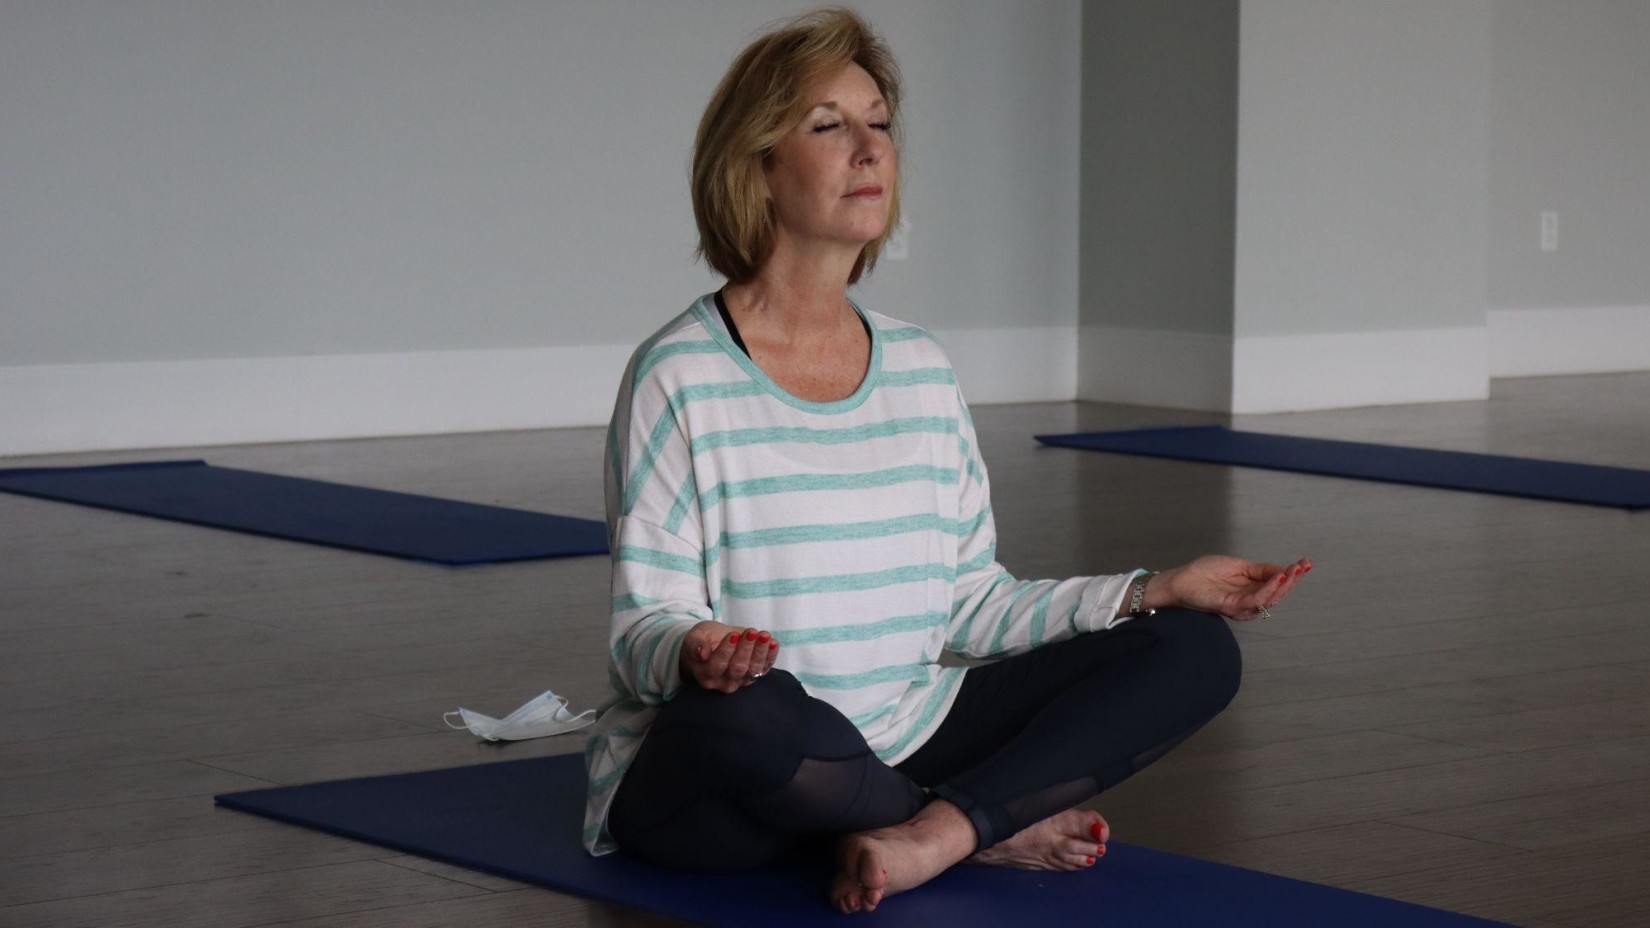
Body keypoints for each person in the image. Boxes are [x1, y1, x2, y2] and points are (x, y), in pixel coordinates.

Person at [581, 7, 1310, 914]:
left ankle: (931, 833)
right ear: (756, 166)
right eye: (828, 126)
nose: (869, 149)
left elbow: (970, 606)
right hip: (732, 779)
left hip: (908, 732)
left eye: (879, 123)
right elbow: (640, 632)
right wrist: (696, 650)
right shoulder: (678, 375)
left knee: (1195, 648)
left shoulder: (919, 368)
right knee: (753, 715)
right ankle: (971, 824)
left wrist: (1153, 587)